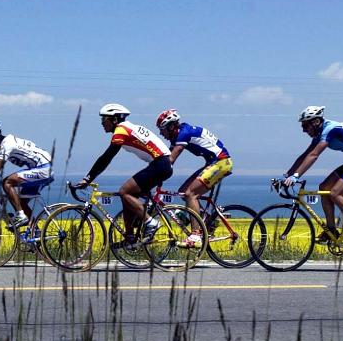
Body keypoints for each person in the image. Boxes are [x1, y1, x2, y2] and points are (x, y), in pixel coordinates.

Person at [72, 103, 172, 245]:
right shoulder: (126, 128)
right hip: (161, 164)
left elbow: (106, 157)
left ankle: (150, 223)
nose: (102, 123)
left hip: (160, 164)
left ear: (114, 120)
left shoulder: (121, 130)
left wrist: (88, 178)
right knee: (128, 198)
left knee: (124, 191)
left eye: (104, 119)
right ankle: (130, 238)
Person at [282, 106, 343, 245]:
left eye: (305, 126)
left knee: (335, 193)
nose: (304, 130)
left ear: (316, 122)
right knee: (324, 188)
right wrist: (287, 175)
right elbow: (305, 155)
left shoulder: (330, 130)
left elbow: (314, 155)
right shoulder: (320, 133)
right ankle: (331, 231)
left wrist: (296, 176)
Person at [156, 109, 231, 246]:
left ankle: (196, 235)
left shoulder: (183, 133)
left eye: (162, 130)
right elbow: (166, 158)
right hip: (213, 162)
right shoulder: (179, 134)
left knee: (191, 194)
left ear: (171, 126)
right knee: (184, 192)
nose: (161, 133)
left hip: (221, 162)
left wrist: (152, 175)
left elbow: (171, 159)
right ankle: (209, 221)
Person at [0, 121, 53, 229]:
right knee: (20, 203)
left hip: (43, 168)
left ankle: (21, 216)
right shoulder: (6, 144)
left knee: (7, 182)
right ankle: (35, 233)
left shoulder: (7, 145)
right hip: (42, 168)